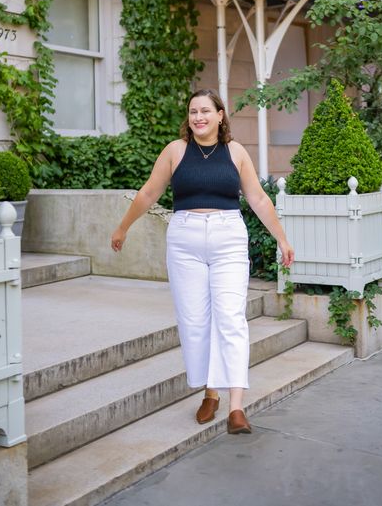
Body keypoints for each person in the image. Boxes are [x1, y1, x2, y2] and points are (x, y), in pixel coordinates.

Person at [111, 89, 294, 434]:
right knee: (195, 321)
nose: (199, 117)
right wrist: (123, 226)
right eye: (193, 111)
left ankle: (237, 407)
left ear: (220, 115)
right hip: (185, 240)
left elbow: (256, 197)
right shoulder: (175, 151)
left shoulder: (235, 152)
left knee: (231, 319)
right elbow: (149, 192)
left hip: (228, 238)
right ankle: (211, 391)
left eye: (206, 111)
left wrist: (281, 238)